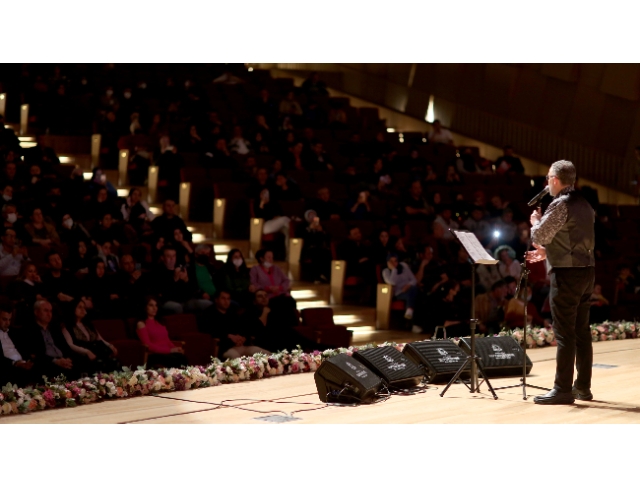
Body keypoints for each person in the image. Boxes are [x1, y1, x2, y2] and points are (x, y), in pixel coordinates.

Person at [527, 160, 596, 405]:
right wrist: (548, 253)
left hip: (567, 275)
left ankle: (562, 389)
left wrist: (535, 221)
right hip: (587, 272)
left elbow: (540, 235)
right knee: (581, 332)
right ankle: (583, 387)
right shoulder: (585, 203)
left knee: (565, 333)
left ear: (555, 180)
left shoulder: (560, 204)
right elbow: (574, 239)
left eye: (548, 178)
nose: (547, 183)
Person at [198, 290, 269, 359]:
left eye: (228, 299)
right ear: (216, 300)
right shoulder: (208, 314)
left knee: (266, 354)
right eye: (223, 298)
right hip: (225, 348)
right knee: (236, 359)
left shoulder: (232, 312)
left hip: (241, 345)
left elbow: (243, 328)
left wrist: (243, 338)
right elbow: (209, 331)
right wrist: (228, 336)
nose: (226, 301)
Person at [61, 298, 120, 374]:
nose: (82, 310)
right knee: (100, 363)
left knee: (115, 362)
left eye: (84, 307)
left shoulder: (88, 324)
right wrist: (86, 351)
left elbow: (99, 338)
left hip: (95, 351)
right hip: (81, 355)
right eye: (79, 307)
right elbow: (70, 344)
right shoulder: (67, 326)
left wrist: (110, 345)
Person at [136, 296, 187, 368]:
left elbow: (167, 340)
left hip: (167, 352)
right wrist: (170, 350)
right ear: (145, 307)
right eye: (151, 305)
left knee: (182, 357)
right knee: (174, 360)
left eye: (156, 305)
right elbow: (148, 345)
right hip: (154, 354)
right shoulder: (141, 324)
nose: (154, 308)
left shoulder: (160, 322)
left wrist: (175, 348)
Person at [0, 303, 36, 387]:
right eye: (4, 319)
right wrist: (15, 363)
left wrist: (28, 360)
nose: (8, 323)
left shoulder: (14, 332)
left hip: (22, 363)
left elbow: (24, 349)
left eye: (9, 319)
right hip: (7, 366)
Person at [382, 254, 418, 323]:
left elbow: (414, 280)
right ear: (388, 262)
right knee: (413, 292)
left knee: (414, 290)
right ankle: (411, 318)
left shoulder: (403, 266)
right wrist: (394, 270)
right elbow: (392, 282)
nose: (393, 263)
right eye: (391, 261)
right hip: (398, 293)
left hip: (410, 288)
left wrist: (408, 285)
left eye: (395, 261)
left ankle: (411, 315)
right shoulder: (385, 272)